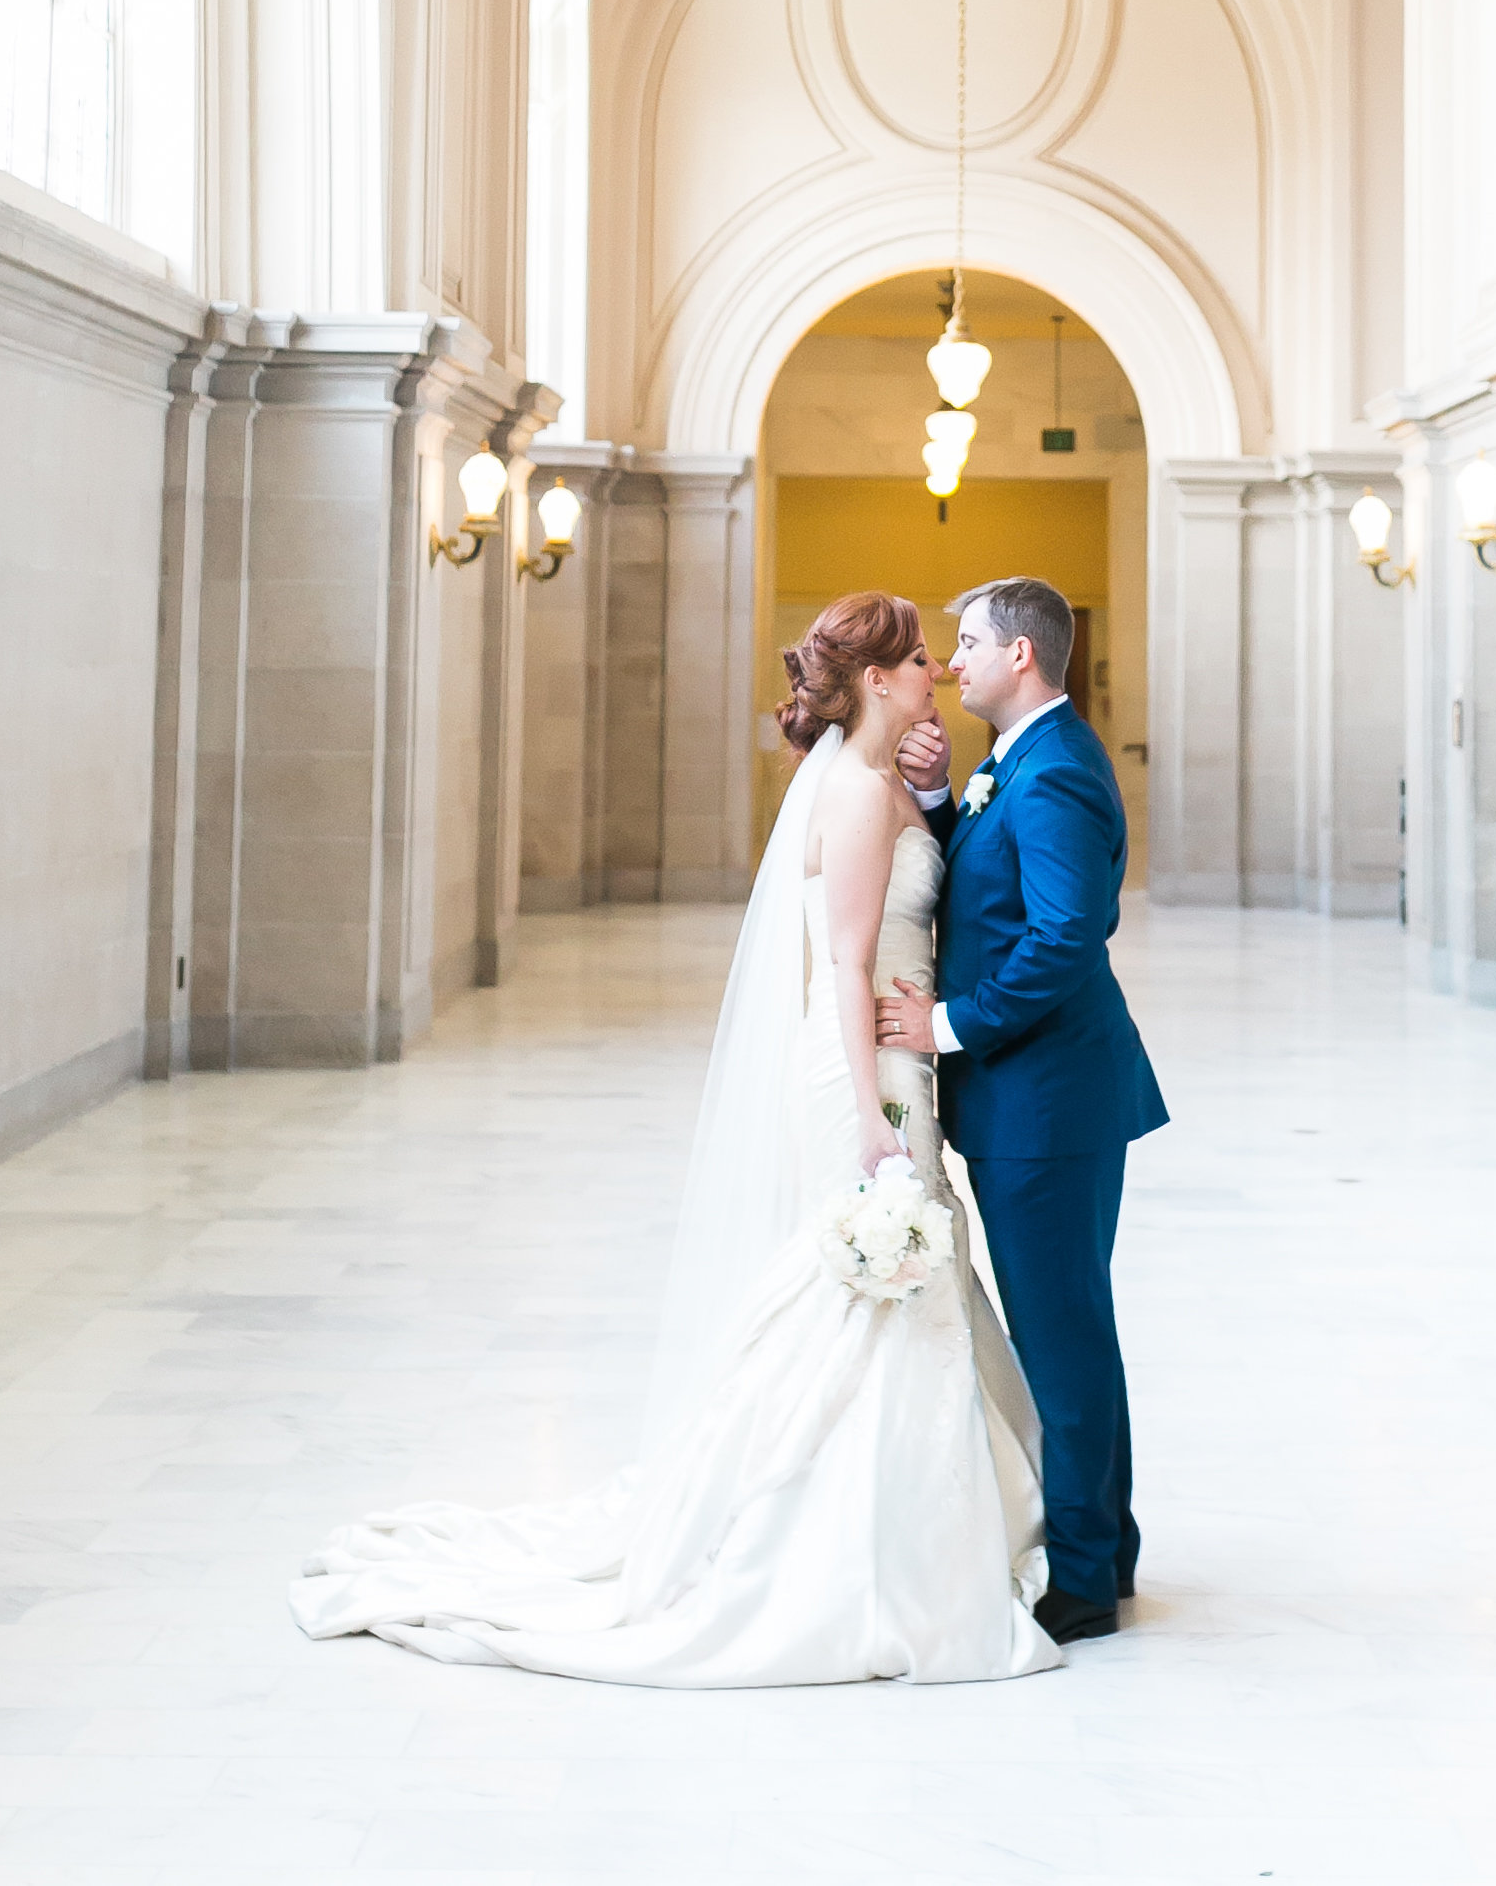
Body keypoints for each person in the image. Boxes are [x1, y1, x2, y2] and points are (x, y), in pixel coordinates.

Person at [290, 591, 1058, 1685]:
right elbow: (841, 962)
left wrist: (930, 803)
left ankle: (917, 1524)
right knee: (873, 1287)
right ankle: (843, 1541)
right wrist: (866, 1116)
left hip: (894, 1062)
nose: (936, 670)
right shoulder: (847, 793)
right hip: (862, 1071)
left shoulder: (885, 786)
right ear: (880, 679)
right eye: (920, 658)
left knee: (899, 1288)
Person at [882, 574, 1168, 1643]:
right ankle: (1108, 1545)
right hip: (1036, 1098)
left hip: (1049, 1103)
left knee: (1062, 1336)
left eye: (966, 642)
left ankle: (1086, 1576)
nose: (951, 661)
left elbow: (1062, 935)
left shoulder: (1055, 775)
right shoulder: (1022, 759)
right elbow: (993, 887)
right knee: (1071, 1328)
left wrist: (947, 1025)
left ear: (1021, 657)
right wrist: (948, 799)